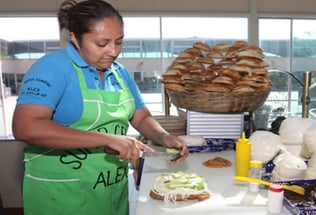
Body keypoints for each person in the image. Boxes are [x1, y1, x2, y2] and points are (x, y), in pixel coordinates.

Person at [12, 0, 188, 214]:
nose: (113, 52)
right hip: (63, 195)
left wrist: (164, 137)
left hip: (110, 190)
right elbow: (25, 127)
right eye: (102, 44)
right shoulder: (51, 67)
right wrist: (107, 138)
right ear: (75, 39)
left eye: (119, 42)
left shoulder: (120, 72)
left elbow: (141, 117)